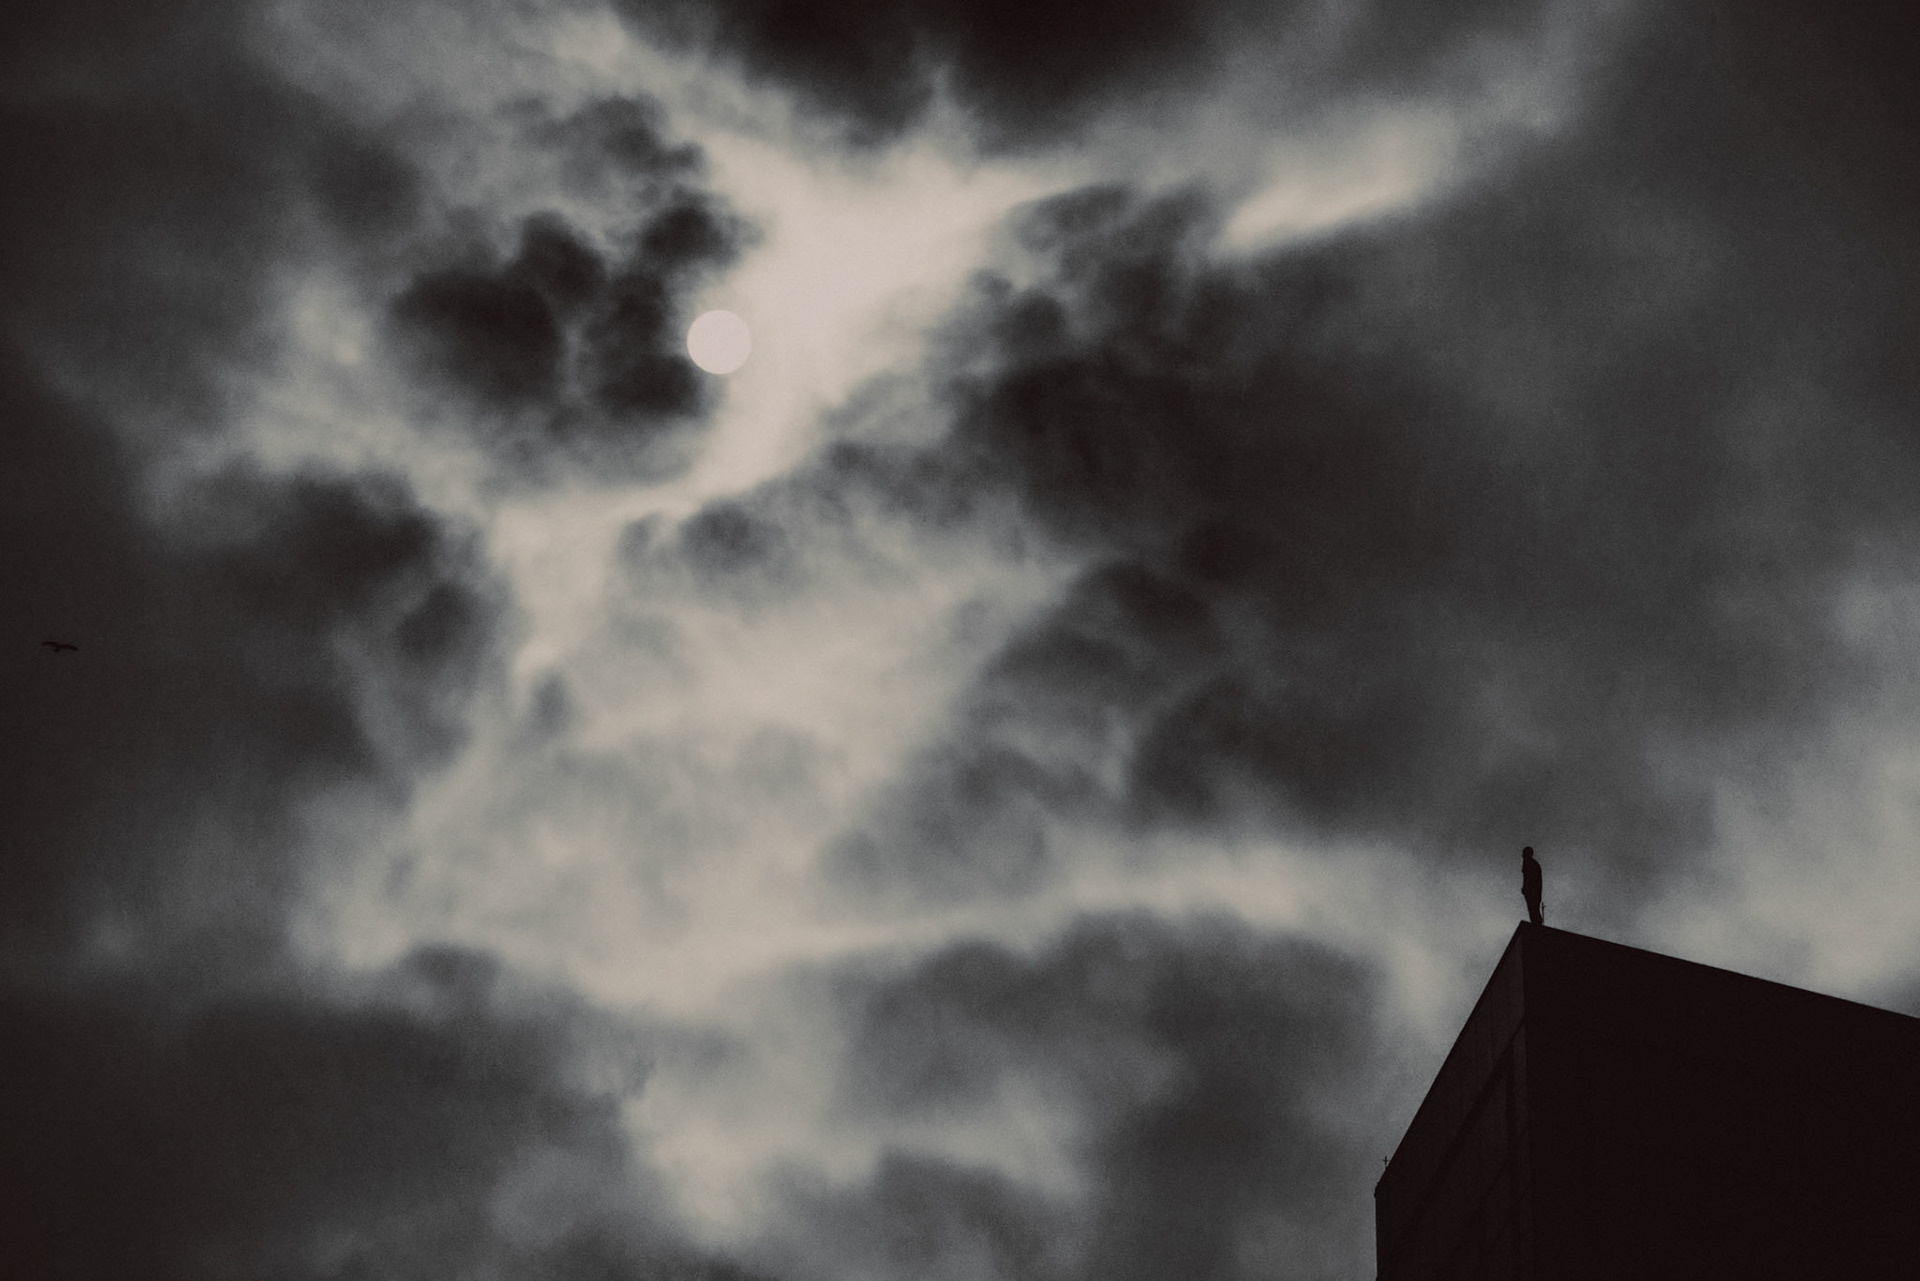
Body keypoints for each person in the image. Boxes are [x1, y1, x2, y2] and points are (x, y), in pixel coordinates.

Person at [1521, 846, 1544, 926]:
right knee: (1532, 910)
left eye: (1524, 854)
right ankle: (1536, 925)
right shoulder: (1531, 864)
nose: (1523, 856)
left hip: (1533, 892)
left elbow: (1529, 878)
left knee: (1533, 910)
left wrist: (1526, 887)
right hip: (1532, 892)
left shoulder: (1531, 864)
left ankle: (1537, 926)